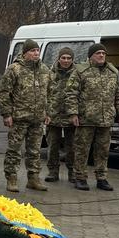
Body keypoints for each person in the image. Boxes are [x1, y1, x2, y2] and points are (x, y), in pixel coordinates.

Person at [65, 43, 119, 191]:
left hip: (105, 119)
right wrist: (73, 113)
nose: (101, 56)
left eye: (103, 53)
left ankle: (101, 178)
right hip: (86, 119)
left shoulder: (112, 72)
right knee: (82, 150)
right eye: (98, 53)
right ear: (91, 55)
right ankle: (80, 177)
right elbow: (71, 93)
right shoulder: (81, 71)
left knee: (103, 151)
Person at [0, 39, 52, 193]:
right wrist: (7, 114)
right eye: (32, 51)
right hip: (19, 118)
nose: (36, 53)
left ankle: (33, 178)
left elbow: (50, 93)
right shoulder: (14, 69)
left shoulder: (44, 70)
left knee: (34, 151)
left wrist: (48, 112)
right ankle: (11, 178)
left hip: (37, 119)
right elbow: (4, 93)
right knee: (14, 150)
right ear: (25, 53)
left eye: (37, 51)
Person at [45, 47, 77, 183]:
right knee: (53, 146)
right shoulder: (49, 74)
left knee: (73, 147)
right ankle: (53, 172)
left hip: (71, 116)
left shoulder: (78, 73)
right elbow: (44, 94)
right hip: (53, 116)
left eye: (69, 58)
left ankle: (73, 173)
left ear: (72, 59)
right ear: (58, 58)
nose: (66, 60)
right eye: (63, 58)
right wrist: (46, 112)